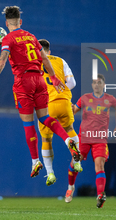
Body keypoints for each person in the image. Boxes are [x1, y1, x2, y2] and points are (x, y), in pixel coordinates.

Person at [0, 6, 81, 179]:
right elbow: (44, 58)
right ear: (20, 21)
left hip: (24, 82)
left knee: (28, 124)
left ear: (6, 23)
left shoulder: (7, 38)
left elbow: (1, 61)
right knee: (45, 118)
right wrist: (54, 77)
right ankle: (68, 141)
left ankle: (35, 161)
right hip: (40, 80)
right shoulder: (32, 36)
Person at [65, 74, 116, 208]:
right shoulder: (85, 98)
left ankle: (100, 195)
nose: (97, 85)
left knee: (100, 165)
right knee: (74, 163)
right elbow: (74, 110)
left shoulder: (110, 99)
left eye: (99, 82)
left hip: (100, 139)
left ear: (103, 84)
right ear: (92, 85)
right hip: (84, 138)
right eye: (94, 82)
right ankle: (70, 187)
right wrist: (69, 108)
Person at [37, 39, 82, 186]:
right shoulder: (60, 61)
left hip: (46, 106)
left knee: (46, 140)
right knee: (70, 129)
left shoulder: (34, 64)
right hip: (63, 101)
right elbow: (72, 84)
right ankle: (77, 162)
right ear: (48, 51)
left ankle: (50, 173)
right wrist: (61, 89)